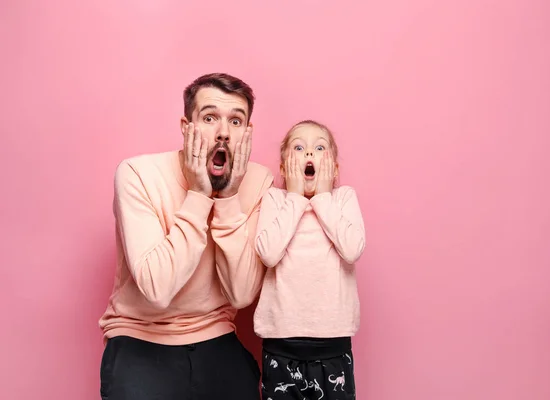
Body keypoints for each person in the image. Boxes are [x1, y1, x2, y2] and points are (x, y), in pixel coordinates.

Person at [98, 72, 273, 400]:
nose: (223, 132)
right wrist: (198, 195)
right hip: (140, 337)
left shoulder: (259, 181)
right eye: (209, 118)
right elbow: (157, 290)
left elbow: (241, 294)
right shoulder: (137, 175)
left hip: (217, 336)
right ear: (186, 127)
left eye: (236, 122)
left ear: (247, 133)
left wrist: (230, 197)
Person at [253, 120, 366, 399]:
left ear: (334, 168)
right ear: (283, 168)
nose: (309, 155)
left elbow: (352, 249)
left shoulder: (342, 199)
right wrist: (294, 196)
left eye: (319, 147)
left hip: (333, 346)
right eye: (299, 148)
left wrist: (324, 196)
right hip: (281, 344)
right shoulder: (276, 200)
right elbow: (268, 253)